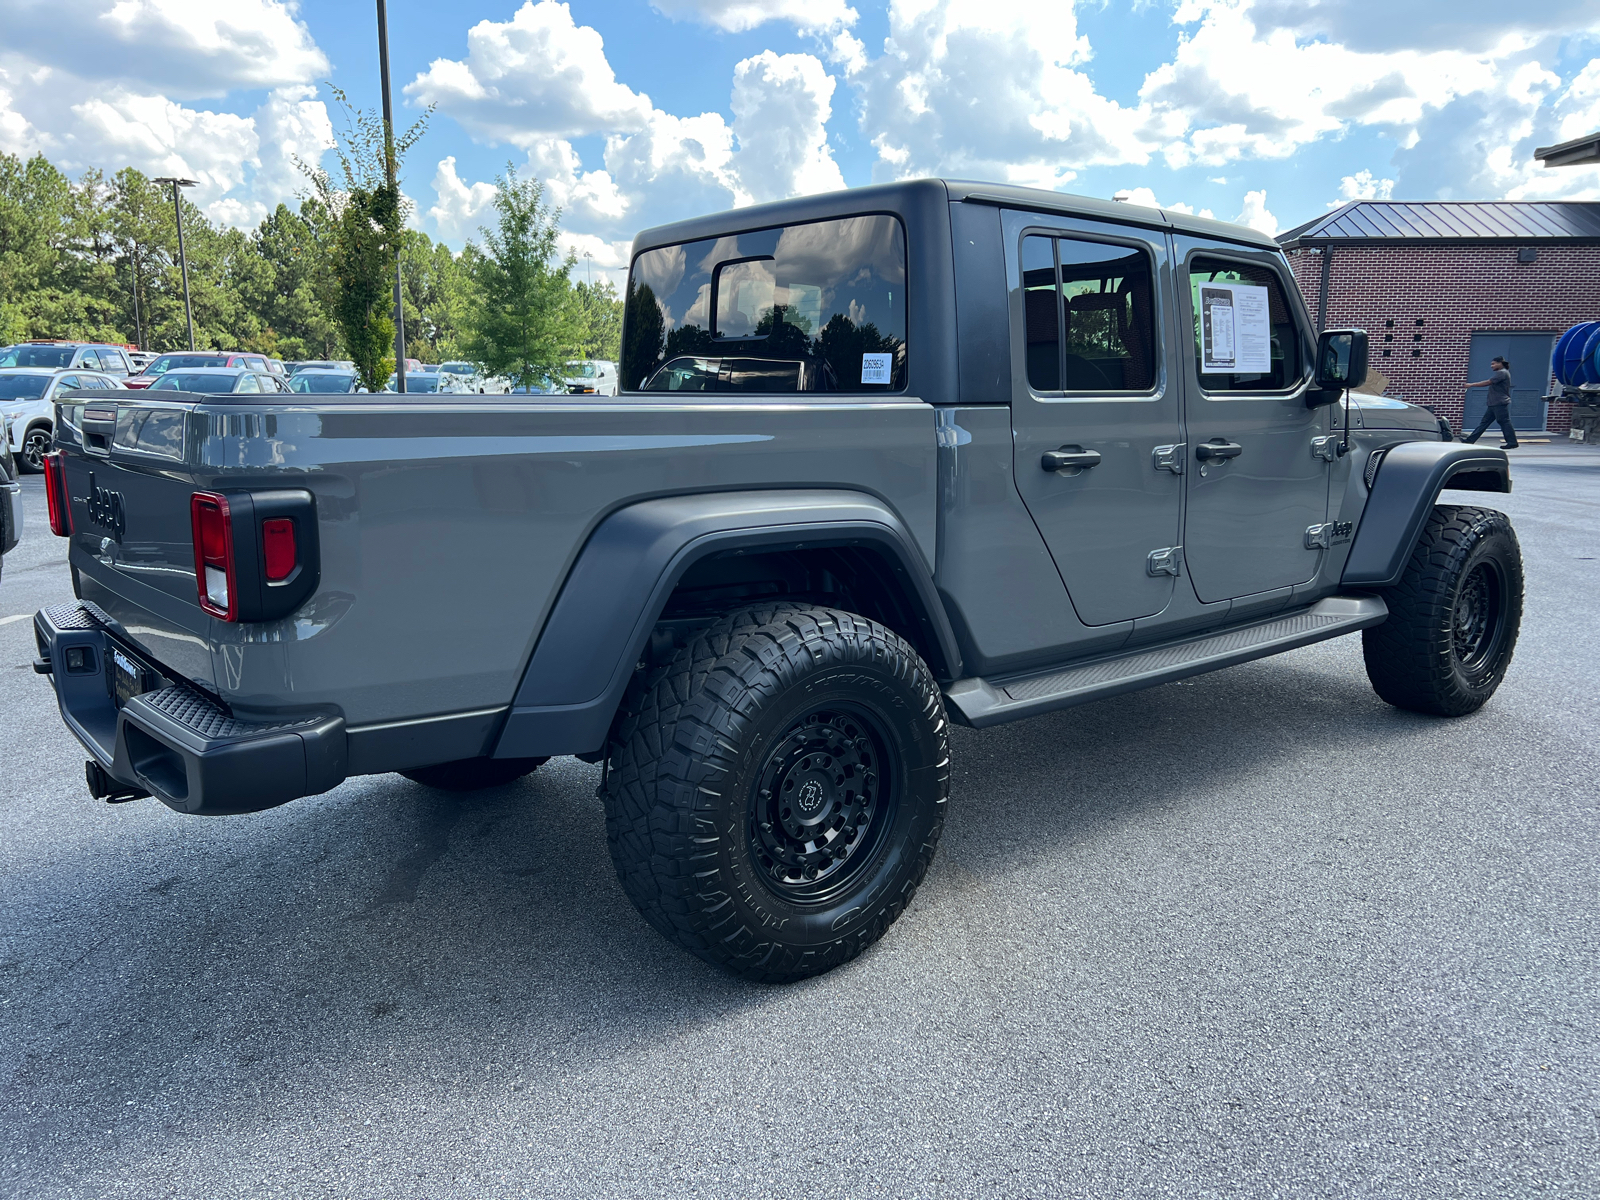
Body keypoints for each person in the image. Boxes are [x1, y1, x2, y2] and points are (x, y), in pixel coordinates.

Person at [1462, 355, 1519, 448]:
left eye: (1493, 364)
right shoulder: (1502, 372)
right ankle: (1470, 440)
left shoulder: (1502, 373)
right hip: (1494, 403)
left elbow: (1488, 382)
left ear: (1500, 363)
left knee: (1504, 422)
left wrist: (1471, 385)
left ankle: (1512, 442)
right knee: (1484, 423)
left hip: (1499, 403)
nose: (1491, 366)